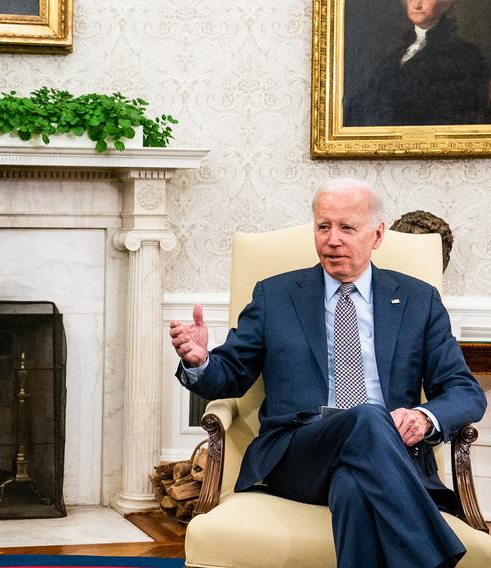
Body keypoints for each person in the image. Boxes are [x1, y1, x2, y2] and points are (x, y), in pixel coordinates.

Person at [170, 178, 486, 567]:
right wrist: (200, 360)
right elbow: (231, 372)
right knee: (369, 415)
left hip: (387, 456)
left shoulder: (418, 299)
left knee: (354, 486)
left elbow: (463, 390)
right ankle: (434, 559)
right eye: (323, 227)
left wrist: (424, 417)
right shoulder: (276, 295)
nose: (332, 239)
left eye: (347, 228)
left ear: (377, 235)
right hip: (299, 452)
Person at [344, 0, 489, 126]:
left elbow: (463, 114)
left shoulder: (465, 55)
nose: (417, 5)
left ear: (445, 3)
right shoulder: (394, 56)